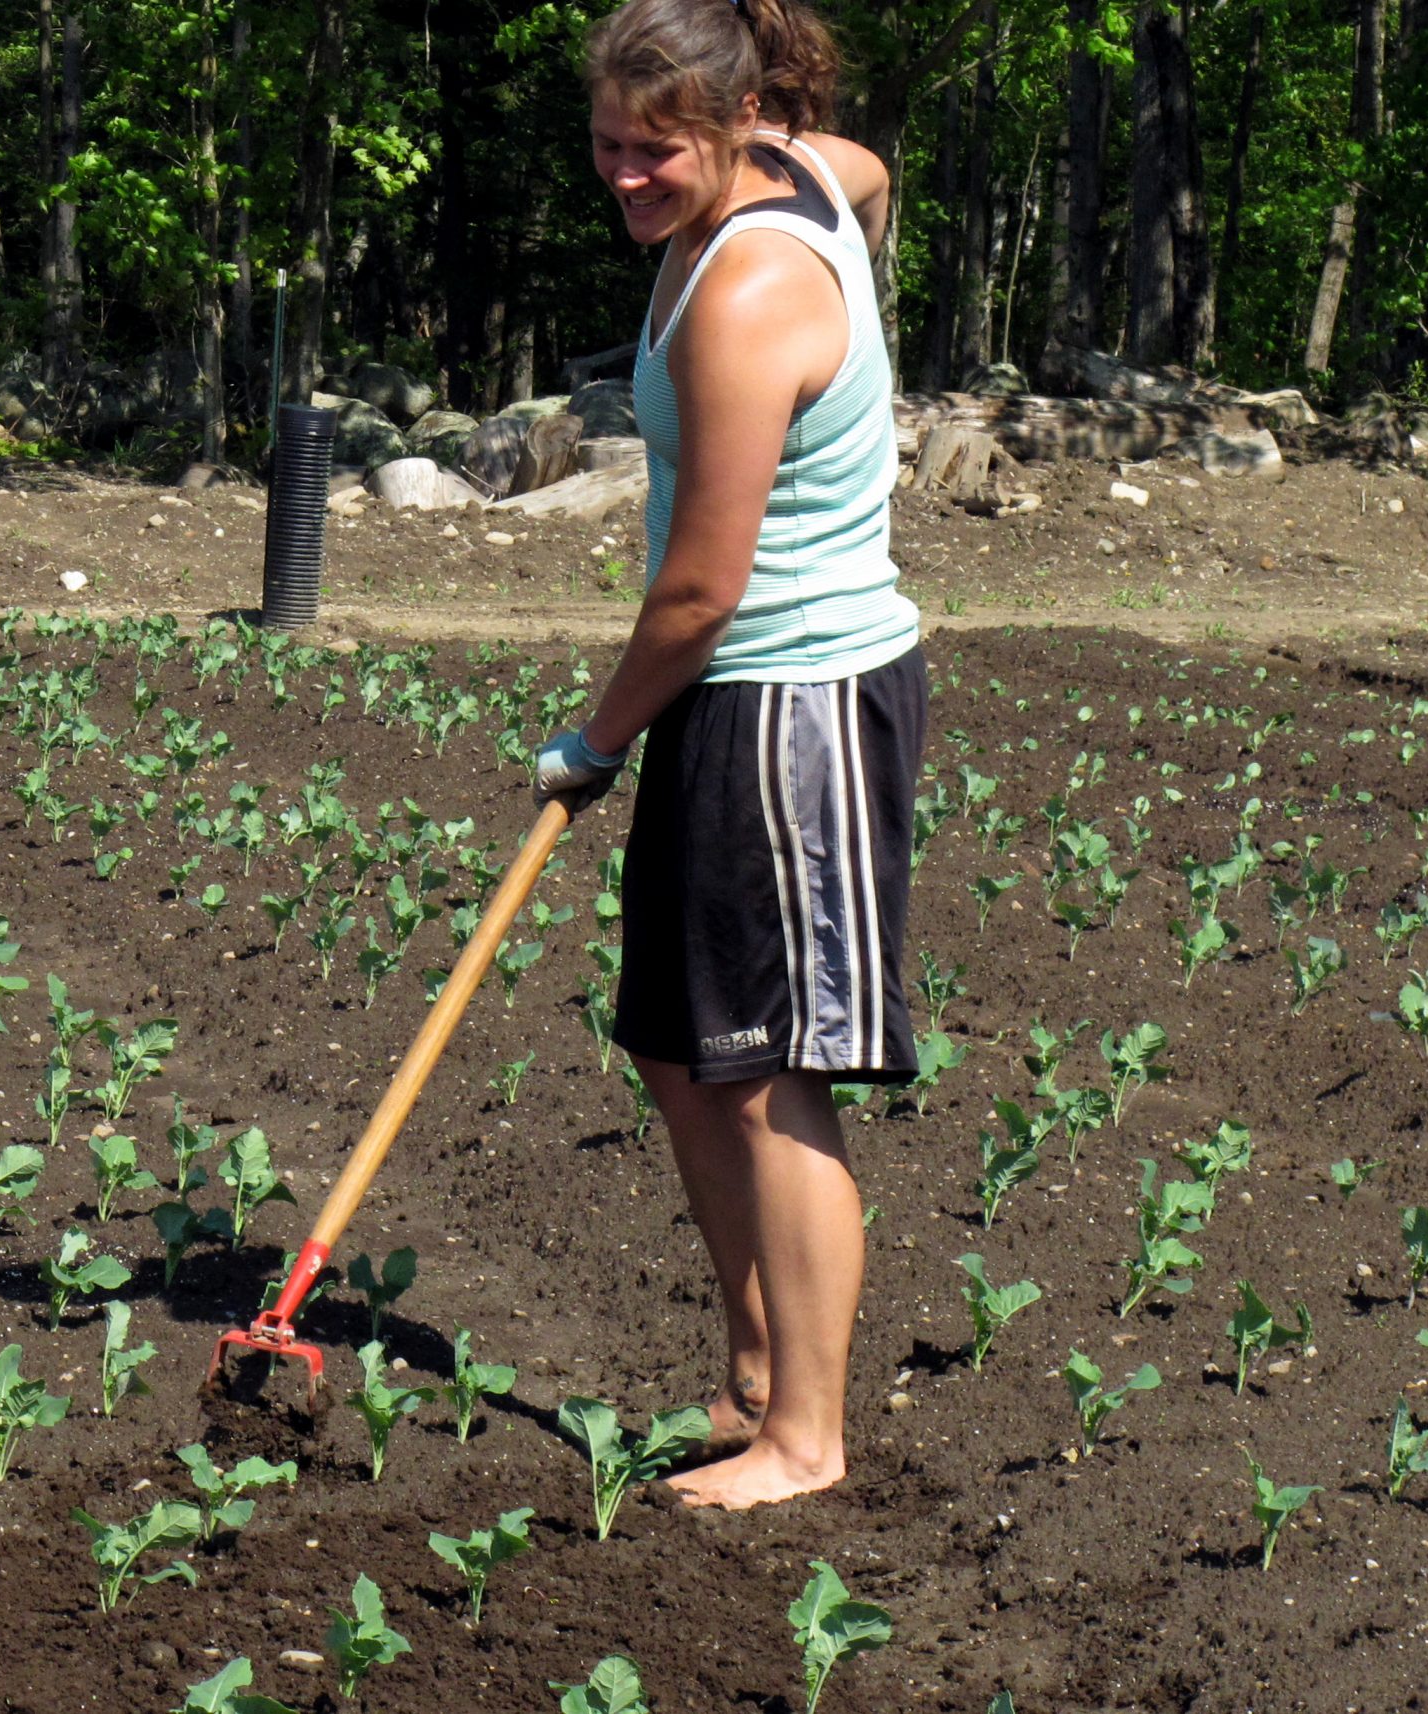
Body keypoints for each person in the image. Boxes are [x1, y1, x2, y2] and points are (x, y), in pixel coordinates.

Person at [533, 0, 921, 1510]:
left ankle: (808, 1442)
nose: (628, 178)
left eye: (659, 152)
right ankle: (757, 1372)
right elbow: (870, 174)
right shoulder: (806, 169)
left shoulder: (753, 293)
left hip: (795, 700)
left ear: (731, 124)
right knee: (682, 1049)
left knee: (766, 1073)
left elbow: (701, 588)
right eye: (609, 148)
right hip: (732, 693)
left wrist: (593, 736)